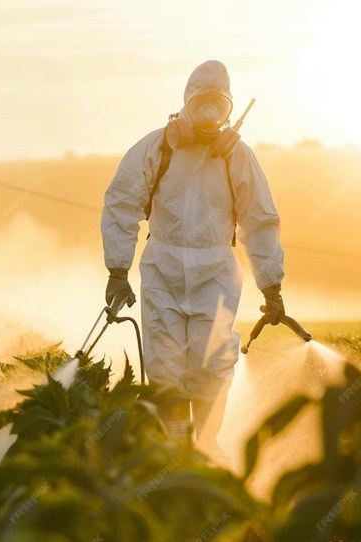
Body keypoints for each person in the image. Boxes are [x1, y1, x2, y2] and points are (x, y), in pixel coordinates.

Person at [100, 60, 286, 459]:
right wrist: (117, 270)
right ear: (186, 103)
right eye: (202, 102)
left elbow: (259, 220)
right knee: (166, 372)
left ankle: (203, 448)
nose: (208, 113)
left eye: (217, 105)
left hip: (217, 273)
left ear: (229, 110)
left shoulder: (238, 157)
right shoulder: (157, 146)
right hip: (162, 270)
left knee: (212, 368)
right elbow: (121, 202)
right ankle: (173, 452)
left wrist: (272, 284)